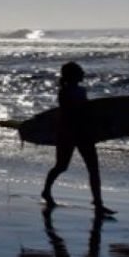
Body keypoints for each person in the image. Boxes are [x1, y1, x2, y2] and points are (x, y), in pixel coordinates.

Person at [41, 61, 107, 214]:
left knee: (93, 169)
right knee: (61, 166)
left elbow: (84, 110)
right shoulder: (64, 92)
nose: (83, 73)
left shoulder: (81, 90)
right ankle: (46, 191)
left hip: (83, 133)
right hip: (68, 133)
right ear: (73, 75)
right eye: (80, 71)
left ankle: (98, 202)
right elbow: (73, 112)